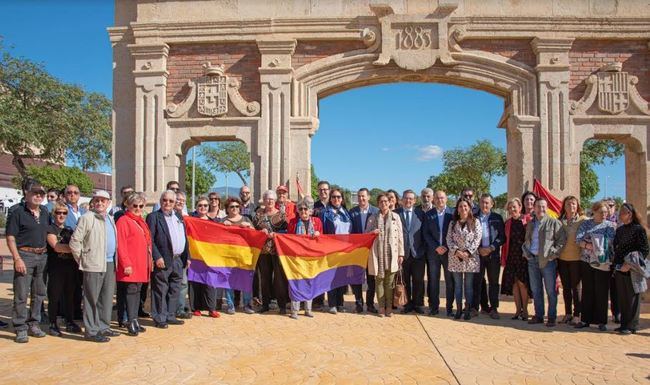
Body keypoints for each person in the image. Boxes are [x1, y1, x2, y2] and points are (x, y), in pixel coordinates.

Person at [70, 190, 119, 343]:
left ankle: (103, 326)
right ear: (93, 202)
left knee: (106, 297)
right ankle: (91, 331)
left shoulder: (111, 219)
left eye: (103, 201)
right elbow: (74, 242)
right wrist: (82, 259)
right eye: (97, 200)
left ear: (108, 203)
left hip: (110, 263)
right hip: (93, 264)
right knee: (91, 298)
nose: (100, 203)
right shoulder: (87, 218)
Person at [6, 180, 50, 343]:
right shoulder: (17, 212)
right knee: (21, 294)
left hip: (43, 256)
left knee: (39, 293)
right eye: (35, 193)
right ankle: (20, 327)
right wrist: (17, 258)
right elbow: (10, 237)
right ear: (26, 193)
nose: (38, 196)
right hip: (24, 255)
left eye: (41, 194)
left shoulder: (45, 212)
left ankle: (34, 323)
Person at [147, 190, 188, 328]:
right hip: (163, 259)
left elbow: (184, 238)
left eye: (171, 201)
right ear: (160, 201)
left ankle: (170, 315)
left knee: (174, 288)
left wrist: (186, 257)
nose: (167, 203)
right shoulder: (153, 217)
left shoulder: (178, 217)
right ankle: (159, 317)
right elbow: (150, 240)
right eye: (165, 200)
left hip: (178, 259)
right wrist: (157, 256)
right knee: (160, 289)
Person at [523, 197, 566, 327]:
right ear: (534, 208)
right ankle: (539, 315)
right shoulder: (531, 224)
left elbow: (561, 241)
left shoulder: (554, 223)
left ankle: (551, 317)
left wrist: (553, 254)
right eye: (538, 206)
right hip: (532, 260)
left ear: (546, 208)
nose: (541, 209)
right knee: (536, 290)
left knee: (551, 291)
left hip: (548, 261)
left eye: (543, 206)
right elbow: (527, 240)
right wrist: (526, 252)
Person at [575, 200, 617, 331]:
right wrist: (589, 245)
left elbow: (614, 243)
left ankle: (602, 321)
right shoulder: (586, 224)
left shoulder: (611, 226)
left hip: (603, 263)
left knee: (602, 291)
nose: (604, 214)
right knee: (587, 290)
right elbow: (578, 240)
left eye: (606, 212)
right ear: (594, 211)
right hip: (587, 261)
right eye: (601, 212)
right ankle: (585, 319)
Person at [115, 192, 151, 336]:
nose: (137, 208)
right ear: (127, 205)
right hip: (131, 264)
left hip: (141, 263)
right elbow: (121, 244)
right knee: (130, 292)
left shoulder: (141, 220)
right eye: (134, 205)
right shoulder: (123, 220)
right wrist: (126, 263)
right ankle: (129, 320)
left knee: (137, 292)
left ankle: (134, 319)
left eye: (140, 205)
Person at [46, 202, 82, 336]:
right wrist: (76, 249)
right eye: (58, 212)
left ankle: (69, 321)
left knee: (69, 295)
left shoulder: (70, 229)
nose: (61, 215)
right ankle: (52, 323)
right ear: (53, 213)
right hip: (56, 267)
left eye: (64, 213)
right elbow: (56, 246)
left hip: (71, 267)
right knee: (54, 296)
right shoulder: (50, 229)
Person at [613, 203, 649, 334]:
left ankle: (632, 326)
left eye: (623, 212)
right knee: (622, 297)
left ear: (630, 214)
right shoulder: (620, 230)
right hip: (620, 268)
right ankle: (624, 324)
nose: (620, 214)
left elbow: (644, 250)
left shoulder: (639, 229)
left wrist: (629, 264)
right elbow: (616, 248)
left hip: (632, 269)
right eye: (620, 212)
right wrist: (619, 266)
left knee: (633, 297)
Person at [366, 193, 404, 317]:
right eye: (381, 201)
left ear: (389, 202)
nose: (384, 203)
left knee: (389, 283)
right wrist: (372, 232)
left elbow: (400, 237)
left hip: (391, 254)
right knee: (379, 281)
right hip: (378, 254)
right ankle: (381, 307)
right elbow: (366, 235)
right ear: (378, 204)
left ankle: (389, 307)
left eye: (386, 201)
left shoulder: (396, 217)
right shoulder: (373, 217)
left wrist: (401, 254)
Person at [286, 197, 323, 319]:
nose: (303, 212)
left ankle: (308, 309)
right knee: (296, 282)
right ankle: (295, 310)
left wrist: (318, 234)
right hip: (297, 257)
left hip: (312, 258)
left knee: (309, 282)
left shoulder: (317, 222)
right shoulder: (293, 222)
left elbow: (322, 239)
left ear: (310, 210)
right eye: (300, 209)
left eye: (306, 209)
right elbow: (289, 239)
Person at [446, 198, 482, 320]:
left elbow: (477, 238)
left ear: (469, 208)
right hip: (455, 257)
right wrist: (456, 251)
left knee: (468, 285)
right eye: (460, 206)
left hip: (470, 258)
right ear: (457, 209)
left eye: (465, 206)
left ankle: (467, 309)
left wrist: (467, 252)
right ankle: (459, 309)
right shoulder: (452, 223)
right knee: (457, 285)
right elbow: (448, 239)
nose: (463, 208)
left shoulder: (475, 222)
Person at [254, 190, 288, 313]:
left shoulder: (281, 215)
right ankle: (265, 304)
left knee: (279, 279)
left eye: (271, 199)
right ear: (264, 200)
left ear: (275, 201)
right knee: (264, 278)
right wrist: (259, 233)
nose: (269, 201)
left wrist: (276, 234)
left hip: (277, 250)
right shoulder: (258, 215)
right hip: (263, 251)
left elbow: (286, 232)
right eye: (267, 199)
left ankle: (282, 305)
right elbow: (253, 230)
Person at [473, 193, 505, 319]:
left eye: (487, 202)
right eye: (482, 202)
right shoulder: (473, 217)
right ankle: (475, 307)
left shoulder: (497, 218)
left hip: (493, 255)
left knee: (493, 283)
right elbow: (469, 235)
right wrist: (478, 249)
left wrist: (491, 248)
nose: (484, 205)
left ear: (492, 204)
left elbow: (502, 237)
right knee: (477, 282)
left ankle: (494, 308)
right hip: (477, 255)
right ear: (479, 203)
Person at [221, 197, 256, 315]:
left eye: (236, 206)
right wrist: (222, 226)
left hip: (244, 256)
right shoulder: (223, 221)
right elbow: (216, 237)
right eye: (232, 207)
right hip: (228, 256)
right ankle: (231, 305)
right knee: (229, 281)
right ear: (227, 209)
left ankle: (247, 305)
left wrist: (249, 227)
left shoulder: (246, 219)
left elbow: (256, 235)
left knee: (246, 280)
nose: (234, 209)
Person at [188, 196, 221, 318]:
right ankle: (196, 308)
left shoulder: (214, 223)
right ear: (196, 207)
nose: (203, 207)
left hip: (210, 257)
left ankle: (211, 309)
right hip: (195, 256)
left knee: (210, 282)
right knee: (195, 281)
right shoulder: (190, 221)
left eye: (205, 205)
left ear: (208, 207)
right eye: (200, 205)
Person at [423, 190, 454, 316]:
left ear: (446, 199)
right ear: (433, 200)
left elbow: (455, 233)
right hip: (433, 252)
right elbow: (426, 233)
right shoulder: (428, 214)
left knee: (450, 281)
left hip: (449, 252)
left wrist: (446, 247)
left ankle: (449, 308)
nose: (439, 200)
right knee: (433, 281)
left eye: (442, 198)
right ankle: (434, 307)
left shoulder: (452, 213)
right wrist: (436, 247)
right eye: (437, 198)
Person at [321, 188, 352, 314]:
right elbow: (322, 231)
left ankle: (340, 303)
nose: (336, 199)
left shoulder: (346, 213)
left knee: (342, 277)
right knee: (331, 277)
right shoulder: (325, 213)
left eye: (338, 197)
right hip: (331, 250)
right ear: (330, 198)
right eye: (333, 197)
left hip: (345, 251)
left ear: (342, 199)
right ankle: (332, 304)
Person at [348, 188, 379, 313]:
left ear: (369, 197)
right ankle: (359, 303)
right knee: (356, 279)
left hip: (372, 251)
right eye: (359, 196)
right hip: (357, 251)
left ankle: (370, 304)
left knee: (371, 279)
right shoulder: (352, 212)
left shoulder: (376, 212)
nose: (361, 198)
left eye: (363, 196)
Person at [557, 196, 586, 324]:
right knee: (566, 288)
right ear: (564, 206)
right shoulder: (559, 222)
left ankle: (577, 314)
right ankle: (568, 313)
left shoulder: (583, 221)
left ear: (577, 206)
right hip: (562, 259)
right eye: (568, 204)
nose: (571, 206)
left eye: (574, 204)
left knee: (576, 288)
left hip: (576, 259)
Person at [396, 190, 426, 314]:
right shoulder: (396, 214)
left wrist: (423, 249)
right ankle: (407, 304)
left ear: (414, 201)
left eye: (411, 199)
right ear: (402, 200)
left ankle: (418, 304)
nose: (408, 201)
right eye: (406, 198)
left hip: (418, 253)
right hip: (403, 254)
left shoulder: (421, 214)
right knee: (405, 280)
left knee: (418, 280)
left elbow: (425, 233)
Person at [500, 198, 530, 320]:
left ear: (520, 207)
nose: (512, 209)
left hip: (523, 257)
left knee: (522, 284)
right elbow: (505, 242)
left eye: (514, 207)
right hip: (511, 256)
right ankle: (518, 310)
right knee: (514, 285)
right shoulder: (507, 223)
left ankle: (525, 311)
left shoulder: (527, 220)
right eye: (510, 207)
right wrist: (503, 259)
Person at [173, 191, 192, 320]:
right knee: (172, 284)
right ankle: (169, 310)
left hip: (183, 256)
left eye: (182, 200)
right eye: (178, 199)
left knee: (183, 284)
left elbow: (187, 239)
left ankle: (179, 308)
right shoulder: (167, 215)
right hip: (171, 257)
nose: (180, 202)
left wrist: (189, 256)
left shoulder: (185, 217)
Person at [603, 197, 620, 323]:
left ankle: (616, 313)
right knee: (602, 288)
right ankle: (601, 314)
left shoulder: (620, 222)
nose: (609, 208)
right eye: (606, 205)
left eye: (611, 205)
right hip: (602, 259)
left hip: (615, 260)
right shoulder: (599, 221)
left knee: (615, 288)